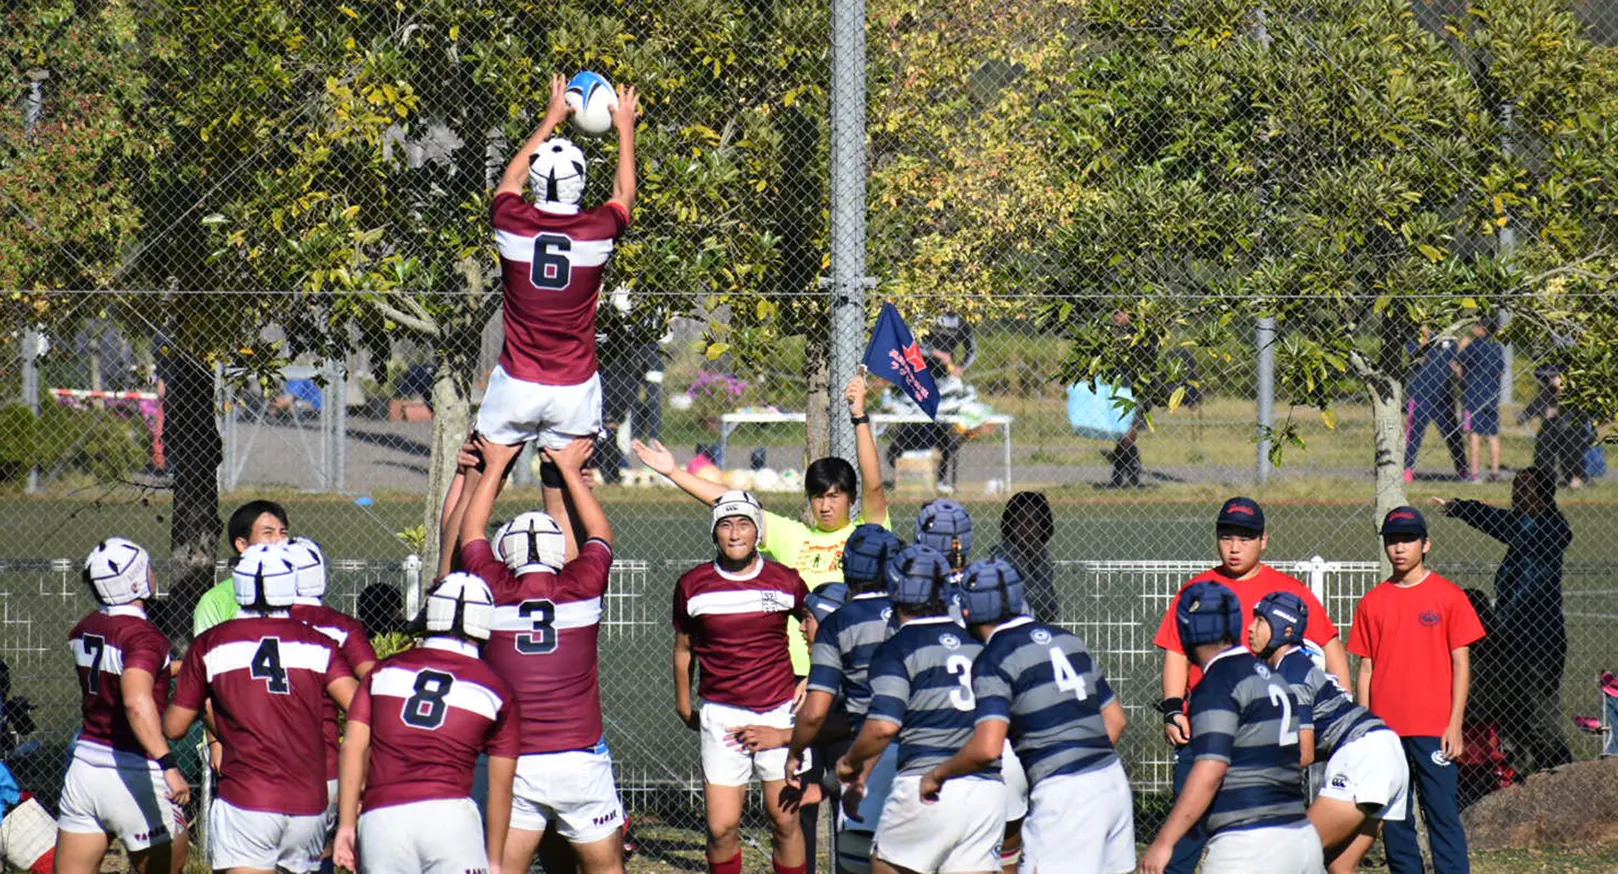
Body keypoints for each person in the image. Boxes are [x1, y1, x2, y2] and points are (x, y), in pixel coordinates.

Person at [436, 72, 639, 577]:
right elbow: (624, 192)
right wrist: (624, 128)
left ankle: (446, 582)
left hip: (518, 383)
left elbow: (509, 181)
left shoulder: (512, 222)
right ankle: (569, 593)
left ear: (536, 182)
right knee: (564, 491)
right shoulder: (597, 231)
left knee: (476, 481)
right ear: (580, 185)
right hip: (573, 386)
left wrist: (551, 118)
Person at [636, 372, 890, 675]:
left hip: (850, 667)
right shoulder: (793, 535)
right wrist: (674, 473)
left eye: (834, 497)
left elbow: (875, 485)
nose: (825, 506)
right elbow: (731, 501)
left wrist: (859, 417)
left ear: (851, 498)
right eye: (818, 497)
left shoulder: (866, 535)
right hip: (797, 671)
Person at [1152, 496, 1348, 874]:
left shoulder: (1287, 591)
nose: (1234, 547)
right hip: (1208, 724)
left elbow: (1330, 648)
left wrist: (1338, 705)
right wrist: (1174, 708)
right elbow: (1176, 651)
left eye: (1245, 538)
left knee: (1260, 830)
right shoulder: (1199, 589)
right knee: (1186, 832)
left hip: (1264, 735)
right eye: (1226, 537)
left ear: (1264, 541)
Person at [458, 437, 626, 874]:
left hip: (515, 762)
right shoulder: (583, 585)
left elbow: (471, 532)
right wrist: (570, 471)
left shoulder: (493, 589)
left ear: (506, 553)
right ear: (558, 549)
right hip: (579, 758)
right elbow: (601, 535)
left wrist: (495, 466)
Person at [923, 558, 1134, 874]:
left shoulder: (993, 658)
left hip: (1065, 793)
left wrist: (938, 775)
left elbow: (987, 748)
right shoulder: (1067, 639)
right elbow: (1116, 720)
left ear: (966, 611)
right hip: (1112, 781)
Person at [164, 543, 358, 874]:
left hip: (247, 797)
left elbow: (175, 726)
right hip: (309, 803)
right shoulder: (318, 642)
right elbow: (360, 707)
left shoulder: (212, 643)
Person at [333, 574, 520, 874]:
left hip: (383, 818)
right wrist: (495, 860)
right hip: (451, 819)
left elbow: (353, 746)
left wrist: (345, 825)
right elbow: (501, 787)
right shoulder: (496, 689)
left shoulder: (383, 672)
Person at [836, 545, 1003, 874]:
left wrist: (850, 763)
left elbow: (884, 726)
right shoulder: (977, 645)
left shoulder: (896, 648)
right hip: (987, 790)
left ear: (894, 588)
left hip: (925, 784)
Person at [672, 490, 811, 874]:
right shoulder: (693, 585)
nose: (735, 534)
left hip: (779, 713)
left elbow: (819, 630)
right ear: (714, 532)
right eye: (726, 525)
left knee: (784, 822)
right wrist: (683, 704)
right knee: (721, 828)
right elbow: (683, 649)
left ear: (758, 531)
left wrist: (814, 677)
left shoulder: (786, 580)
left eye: (744, 524)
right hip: (722, 716)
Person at [1141, 582, 1320, 874]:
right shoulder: (1271, 676)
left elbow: (1210, 769)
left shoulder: (1217, 684)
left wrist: (1164, 841)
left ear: (1186, 632)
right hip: (1301, 837)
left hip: (1249, 846)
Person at [1348, 506, 1484, 874]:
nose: (1399, 547)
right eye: (1392, 540)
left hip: (1434, 728)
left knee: (1442, 814)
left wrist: (1454, 724)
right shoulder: (1373, 602)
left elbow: (1461, 663)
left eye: (1408, 539)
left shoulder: (1449, 596)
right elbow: (1366, 668)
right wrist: (1365, 729)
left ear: (1426, 544)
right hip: (1386, 730)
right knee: (1394, 819)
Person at [55, 539, 189, 874]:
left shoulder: (86, 627)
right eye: (148, 567)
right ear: (134, 582)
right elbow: (135, 701)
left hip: (85, 769)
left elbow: (120, 672)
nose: (153, 572)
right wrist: (168, 764)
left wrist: (185, 668)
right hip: (135, 769)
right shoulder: (144, 636)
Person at [1252, 591, 1409, 874]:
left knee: (1287, 857)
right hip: (1387, 752)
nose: (1251, 629)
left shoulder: (1291, 675)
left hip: (1364, 755)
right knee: (1340, 866)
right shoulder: (1295, 665)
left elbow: (1304, 753)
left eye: (1261, 621)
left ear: (1285, 629)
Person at [783, 524, 904, 874]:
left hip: (868, 756)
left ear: (847, 565)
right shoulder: (916, 614)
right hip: (923, 755)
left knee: (859, 861)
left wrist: (794, 751)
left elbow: (814, 713)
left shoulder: (838, 624)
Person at [1438, 468, 1573, 773]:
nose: (1516, 494)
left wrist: (1465, 509)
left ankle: (1563, 773)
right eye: (1515, 487)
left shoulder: (1550, 528)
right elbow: (1508, 526)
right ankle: (1521, 773)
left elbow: (1507, 526)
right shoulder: (1525, 527)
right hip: (1511, 639)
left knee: (1541, 717)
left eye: (1524, 488)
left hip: (1540, 642)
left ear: (1542, 496)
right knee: (1514, 714)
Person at [284, 536, 378, 864]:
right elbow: (374, 680)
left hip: (259, 765)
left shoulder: (254, 626)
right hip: (322, 762)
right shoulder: (339, 626)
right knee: (318, 857)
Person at [192, 499, 290, 635]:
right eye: (268, 533)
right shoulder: (216, 601)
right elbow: (207, 647)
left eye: (283, 533)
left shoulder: (300, 594)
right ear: (242, 545)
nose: (279, 540)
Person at [1403, 327, 1469, 483]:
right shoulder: (1417, 337)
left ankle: (1462, 469)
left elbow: (1456, 363)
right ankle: (1407, 469)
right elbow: (1419, 358)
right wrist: (1426, 337)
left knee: (1453, 434)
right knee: (1413, 434)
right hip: (1421, 394)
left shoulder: (1450, 339)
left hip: (1444, 396)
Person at [989, 492, 1057, 622]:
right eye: (1020, 520)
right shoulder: (1004, 559)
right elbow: (1041, 607)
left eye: (1033, 521)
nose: (1026, 528)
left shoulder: (1040, 557)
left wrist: (1039, 559)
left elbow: (1050, 610)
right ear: (1011, 524)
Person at [1518, 369, 1592, 488]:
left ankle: (1575, 478)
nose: (1550, 380)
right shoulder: (1548, 392)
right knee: (1543, 443)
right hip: (1552, 429)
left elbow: (1579, 412)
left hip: (1571, 429)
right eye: (1550, 378)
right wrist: (1529, 415)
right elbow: (1536, 405)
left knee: (1572, 449)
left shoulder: (1573, 393)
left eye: (1554, 377)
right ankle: (1544, 477)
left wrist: (1557, 411)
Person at [1455, 317, 1505, 482]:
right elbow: (1500, 370)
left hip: (1473, 397)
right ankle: (1495, 473)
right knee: (1493, 435)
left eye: (1477, 325)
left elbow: (1457, 363)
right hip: (1492, 397)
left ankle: (1475, 473)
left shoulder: (1473, 346)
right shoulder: (1497, 347)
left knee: (1473, 435)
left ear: (1483, 328)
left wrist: (1462, 345)